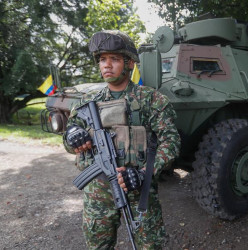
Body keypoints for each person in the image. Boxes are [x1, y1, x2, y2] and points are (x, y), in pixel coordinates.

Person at [62, 30, 181, 249]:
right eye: (102, 59)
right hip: (97, 194)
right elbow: (69, 136)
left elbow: (170, 141)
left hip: (139, 189)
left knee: (150, 246)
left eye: (114, 59)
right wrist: (72, 136)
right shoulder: (87, 101)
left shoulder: (151, 99)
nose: (106, 65)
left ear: (129, 64)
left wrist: (145, 172)